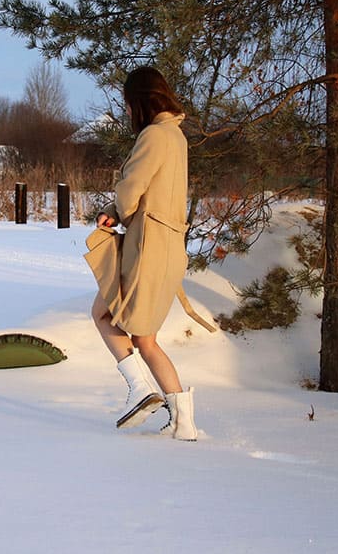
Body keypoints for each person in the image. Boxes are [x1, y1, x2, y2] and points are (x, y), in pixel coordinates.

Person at [89, 66, 198, 441]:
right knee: (146, 339)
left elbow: (132, 186)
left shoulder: (154, 135)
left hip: (147, 247)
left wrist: (114, 212)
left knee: (103, 312)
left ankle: (140, 390)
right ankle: (185, 423)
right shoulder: (177, 136)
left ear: (139, 101)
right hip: (169, 248)